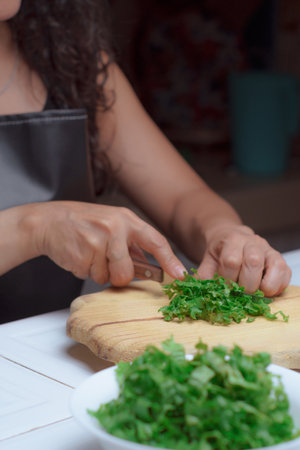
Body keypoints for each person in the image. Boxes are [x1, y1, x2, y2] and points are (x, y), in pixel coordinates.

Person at [0, 0, 291, 323]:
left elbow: (183, 199)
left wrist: (226, 234)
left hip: (37, 348)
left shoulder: (72, 61)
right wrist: (36, 227)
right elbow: (37, 226)